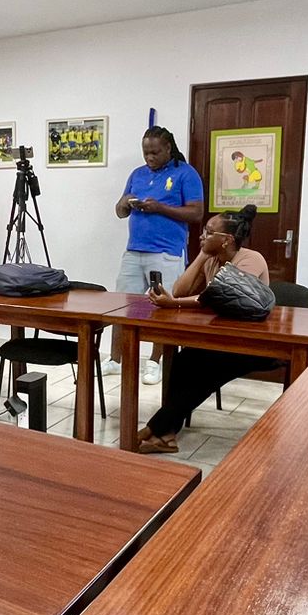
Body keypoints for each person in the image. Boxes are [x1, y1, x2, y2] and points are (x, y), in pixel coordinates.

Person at [136, 206, 270, 454]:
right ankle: (166, 436)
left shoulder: (250, 259)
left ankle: (157, 426)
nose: (202, 236)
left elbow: (218, 297)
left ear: (227, 240)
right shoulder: (211, 259)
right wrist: (201, 256)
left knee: (208, 373)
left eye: (209, 233)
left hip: (255, 344)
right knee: (185, 358)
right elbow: (181, 291)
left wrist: (173, 303)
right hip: (222, 340)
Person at [113, 126, 204, 384]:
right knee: (122, 305)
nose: (149, 158)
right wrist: (123, 204)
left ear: (168, 149)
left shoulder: (185, 173)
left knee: (161, 309)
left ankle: (155, 362)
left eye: (154, 152)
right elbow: (120, 212)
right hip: (134, 250)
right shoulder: (137, 174)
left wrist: (160, 208)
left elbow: (196, 214)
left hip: (166, 253)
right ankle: (116, 358)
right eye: (145, 153)